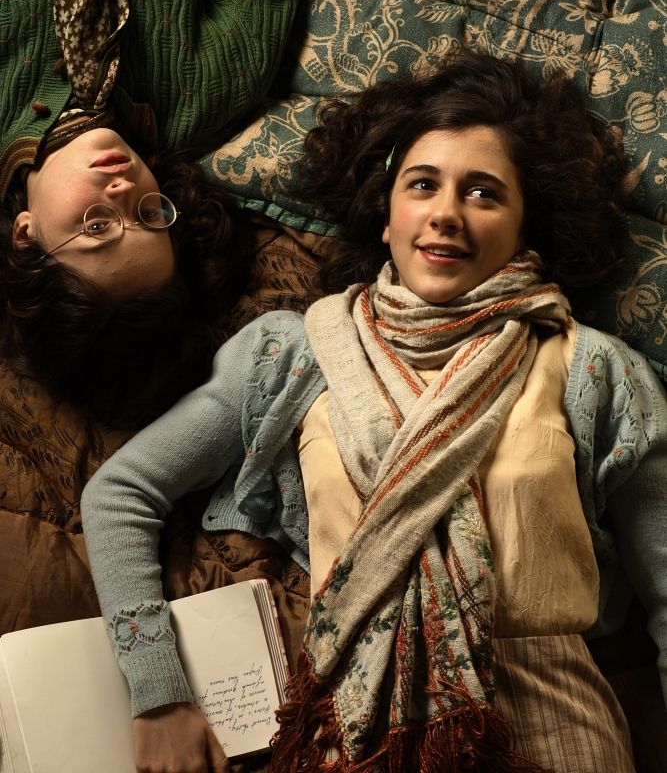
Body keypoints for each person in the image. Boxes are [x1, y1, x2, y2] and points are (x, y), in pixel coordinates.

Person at [81, 50, 667, 772]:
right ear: (386, 214)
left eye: (483, 193)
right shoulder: (295, 353)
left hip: (557, 733)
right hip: (355, 738)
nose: (445, 213)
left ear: (525, 228)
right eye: (422, 184)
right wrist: (158, 696)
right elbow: (119, 493)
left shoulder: (592, 370)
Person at [0, 0, 415, 423]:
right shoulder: (209, 88)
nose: (122, 189)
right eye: (149, 214)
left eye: (98, 226)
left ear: (27, 237)